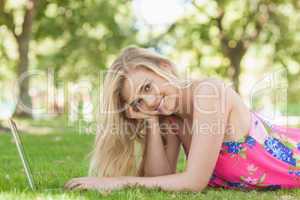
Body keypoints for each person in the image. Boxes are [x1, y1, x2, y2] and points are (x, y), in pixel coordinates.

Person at [64, 46, 300, 192]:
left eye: (147, 87)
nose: (150, 102)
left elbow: (193, 182)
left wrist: (114, 182)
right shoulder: (170, 117)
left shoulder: (208, 93)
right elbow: (159, 181)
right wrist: (152, 122)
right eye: (138, 102)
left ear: (164, 67)